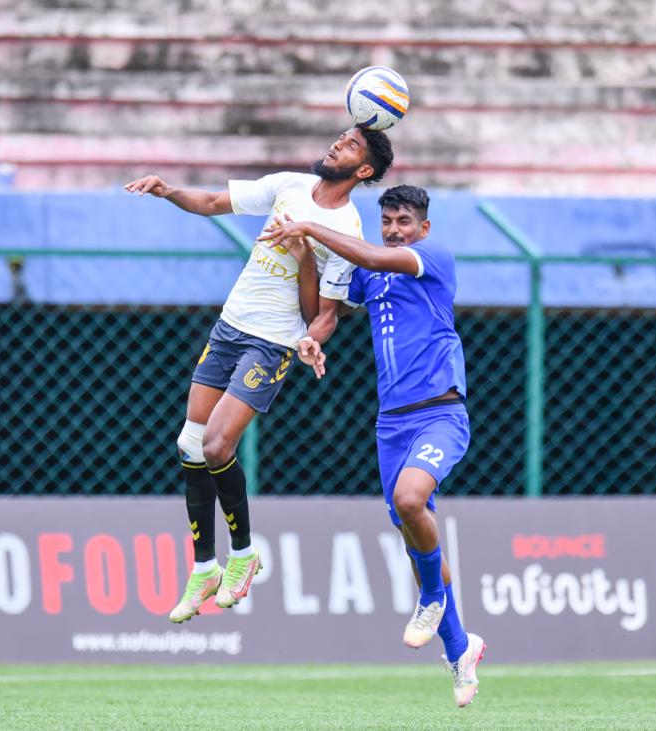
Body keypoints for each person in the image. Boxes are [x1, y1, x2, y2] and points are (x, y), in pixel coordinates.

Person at [124, 126, 394, 623]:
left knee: (217, 446)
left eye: (351, 145)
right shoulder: (288, 185)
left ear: (364, 171)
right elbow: (211, 201)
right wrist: (169, 192)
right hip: (230, 326)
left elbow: (322, 313)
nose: (337, 143)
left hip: (271, 343)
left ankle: (244, 554)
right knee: (189, 443)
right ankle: (205, 565)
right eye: (340, 137)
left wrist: (304, 259)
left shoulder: (347, 231)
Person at [258, 185, 486, 708]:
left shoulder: (431, 258)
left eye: (403, 220)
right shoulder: (372, 272)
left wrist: (313, 228)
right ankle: (460, 650)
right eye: (386, 220)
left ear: (422, 228)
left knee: (410, 502)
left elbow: (371, 254)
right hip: (391, 425)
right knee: (415, 539)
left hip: (440, 413)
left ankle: (430, 599)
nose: (393, 229)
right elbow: (324, 307)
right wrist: (305, 271)